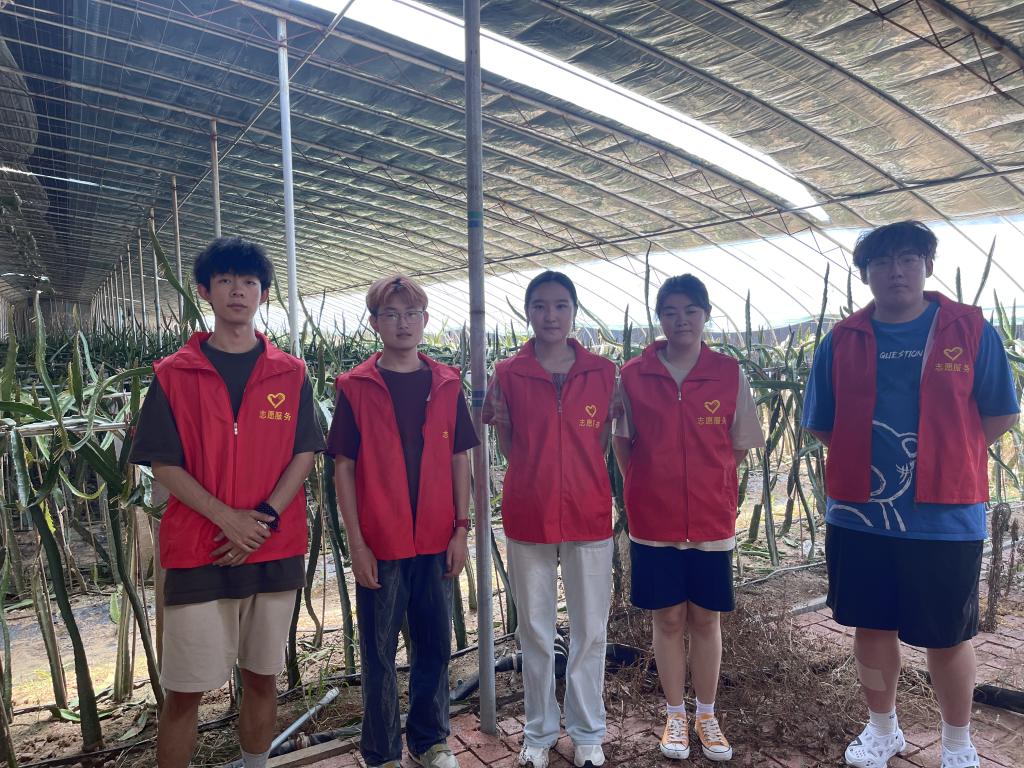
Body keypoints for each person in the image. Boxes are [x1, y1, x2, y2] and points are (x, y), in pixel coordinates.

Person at [801, 221, 1020, 768]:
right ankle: (883, 730)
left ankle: (957, 742)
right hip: (860, 515)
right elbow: (823, 422)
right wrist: (872, 461)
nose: (895, 272)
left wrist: (945, 458)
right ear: (866, 274)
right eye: (881, 262)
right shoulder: (842, 339)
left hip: (945, 517)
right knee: (872, 624)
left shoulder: (969, 329)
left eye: (907, 259)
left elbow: (999, 413)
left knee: (947, 635)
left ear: (927, 266)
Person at [130, 237, 325, 768]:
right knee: (184, 691)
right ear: (204, 291)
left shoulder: (291, 373)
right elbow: (163, 463)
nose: (237, 290)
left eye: (248, 282)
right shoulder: (174, 374)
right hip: (200, 550)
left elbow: (305, 451)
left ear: (263, 294)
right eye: (225, 281)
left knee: (262, 678)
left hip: (272, 548)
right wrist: (228, 520)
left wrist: (261, 522)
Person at [613, 274, 764, 763]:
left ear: (705, 315)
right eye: (670, 312)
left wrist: (710, 481)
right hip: (653, 519)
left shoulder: (728, 373)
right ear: (660, 318)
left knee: (705, 617)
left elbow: (738, 444)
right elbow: (622, 441)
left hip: (710, 517)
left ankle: (707, 714)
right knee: (668, 617)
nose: (681, 321)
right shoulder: (633, 375)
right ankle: (675, 714)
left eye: (690, 311)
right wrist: (642, 484)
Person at [329, 274, 478, 768]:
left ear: (425, 320)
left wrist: (461, 528)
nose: (403, 323)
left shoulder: (447, 383)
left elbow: (459, 457)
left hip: (436, 538)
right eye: (391, 314)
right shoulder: (355, 387)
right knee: (378, 653)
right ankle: (382, 751)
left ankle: (430, 739)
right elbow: (343, 467)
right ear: (375, 323)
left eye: (412, 314)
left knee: (434, 645)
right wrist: (357, 543)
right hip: (382, 542)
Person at [483, 271, 616, 768]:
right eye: (540, 305)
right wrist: (538, 475)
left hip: (588, 513)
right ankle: (538, 732)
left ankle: (587, 732)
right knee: (535, 630)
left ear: (574, 311)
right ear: (528, 313)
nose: (551, 315)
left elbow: (602, 439)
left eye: (561, 305)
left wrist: (575, 476)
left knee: (590, 629)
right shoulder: (507, 374)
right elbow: (507, 440)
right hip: (529, 513)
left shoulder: (603, 373)